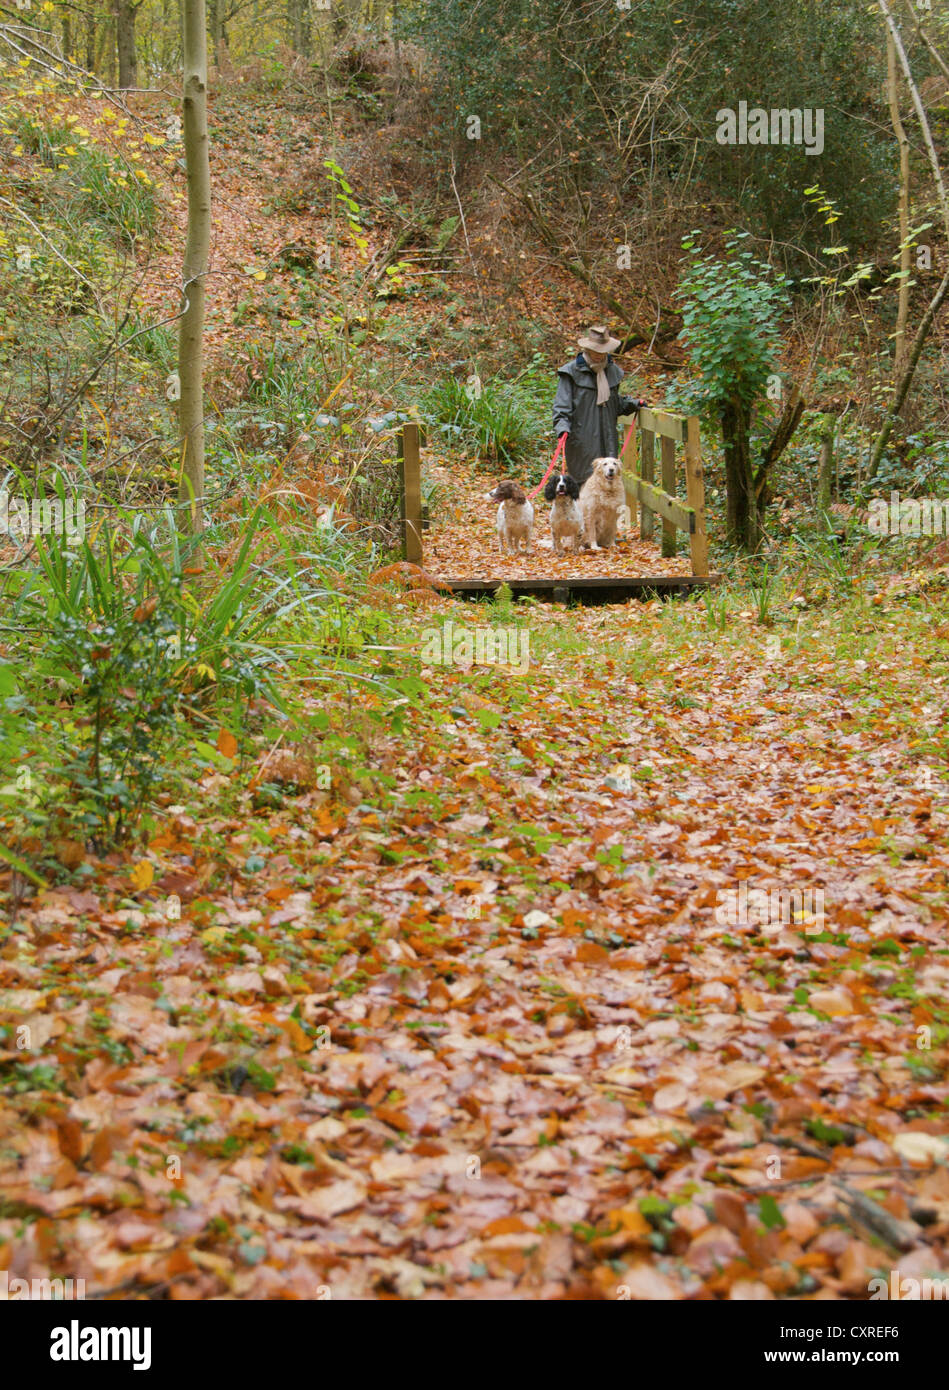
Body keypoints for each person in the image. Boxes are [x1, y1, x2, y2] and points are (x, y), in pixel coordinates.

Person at [552, 326, 648, 487]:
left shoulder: (612, 371)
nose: (599, 354)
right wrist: (562, 428)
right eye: (596, 350)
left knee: (608, 487)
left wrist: (633, 404)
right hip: (581, 441)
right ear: (587, 349)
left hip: (608, 440)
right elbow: (562, 406)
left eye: (603, 351)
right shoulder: (570, 372)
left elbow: (615, 404)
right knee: (584, 486)